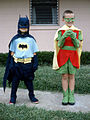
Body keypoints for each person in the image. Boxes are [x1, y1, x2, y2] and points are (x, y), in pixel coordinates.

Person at [3, 16, 39, 104]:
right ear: (18, 26)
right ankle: (13, 97)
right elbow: (11, 53)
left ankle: (32, 96)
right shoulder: (15, 40)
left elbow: (34, 53)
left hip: (28, 65)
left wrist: (35, 63)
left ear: (28, 26)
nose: (23, 28)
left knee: (29, 82)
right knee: (15, 82)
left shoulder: (31, 40)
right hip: (17, 65)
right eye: (21, 26)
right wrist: (11, 64)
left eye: (25, 26)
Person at [53, 10, 83, 105]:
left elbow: (78, 45)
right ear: (63, 19)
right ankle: (65, 96)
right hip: (63, 55)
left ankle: (71, 95)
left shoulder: (78, 31)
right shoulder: (60, 31)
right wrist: (64, 36)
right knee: (64, 75)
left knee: (72, 76)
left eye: (72, 19)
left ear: (74, 19)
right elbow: (60, 45)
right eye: (67, 19)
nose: (70, 21)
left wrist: (74, 38)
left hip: (73, 55)